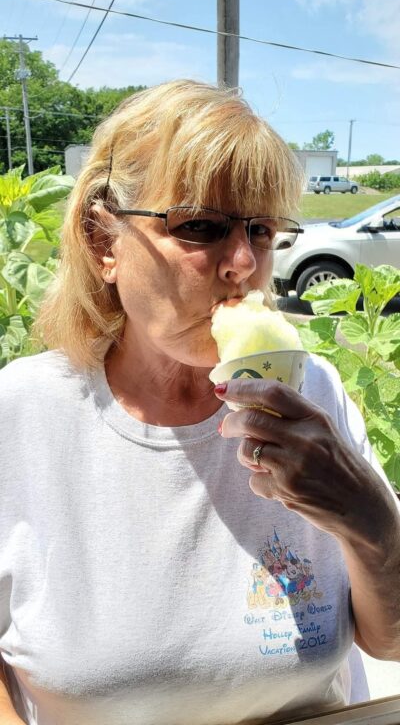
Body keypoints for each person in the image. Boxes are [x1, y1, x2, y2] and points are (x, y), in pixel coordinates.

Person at [0, 79, 399, 725]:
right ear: (103, 243)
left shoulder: (311, 392)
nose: (242, 262)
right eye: (201, 226)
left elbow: (390, 642)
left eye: (261, 230)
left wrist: (368, 518)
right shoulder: (23, 412)